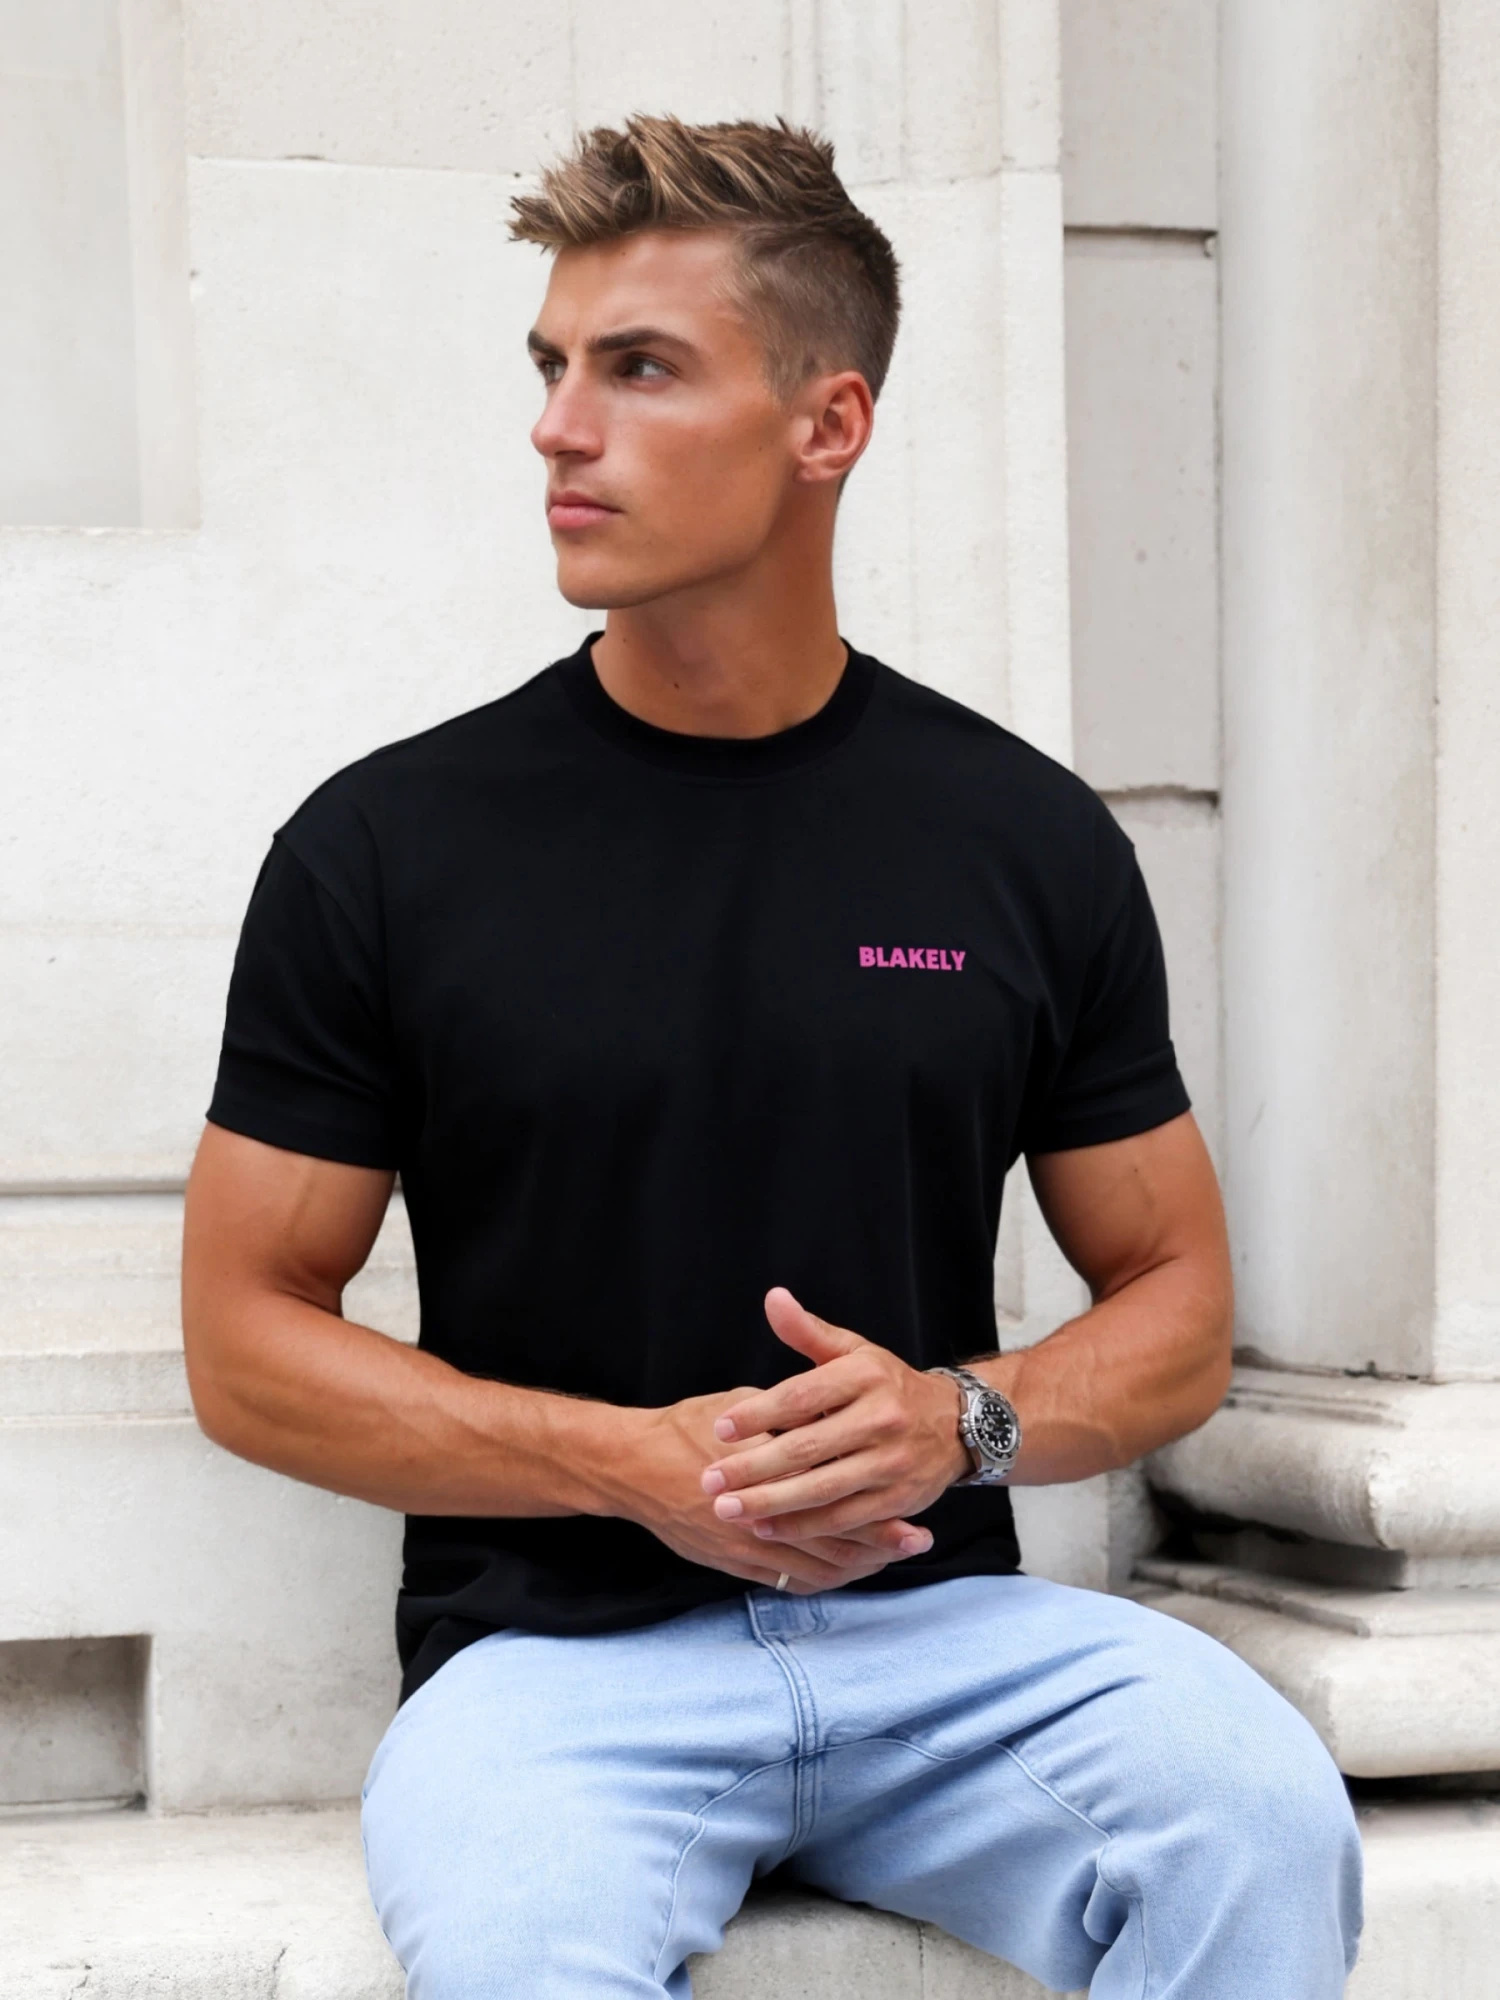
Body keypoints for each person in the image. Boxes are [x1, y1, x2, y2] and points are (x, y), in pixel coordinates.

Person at [183, 114, 1361, 1999]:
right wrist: (624, 1465)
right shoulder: (388, 848)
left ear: (830, 423)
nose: (561, 428)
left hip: (946, 1643)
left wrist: (963, 1419)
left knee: (1261, 1821)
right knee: (518, 1951)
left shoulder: (1024, 841)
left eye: (640, 368)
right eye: (554, 368)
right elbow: (246, 1341)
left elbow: (1179, 1304)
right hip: (555, 1676)